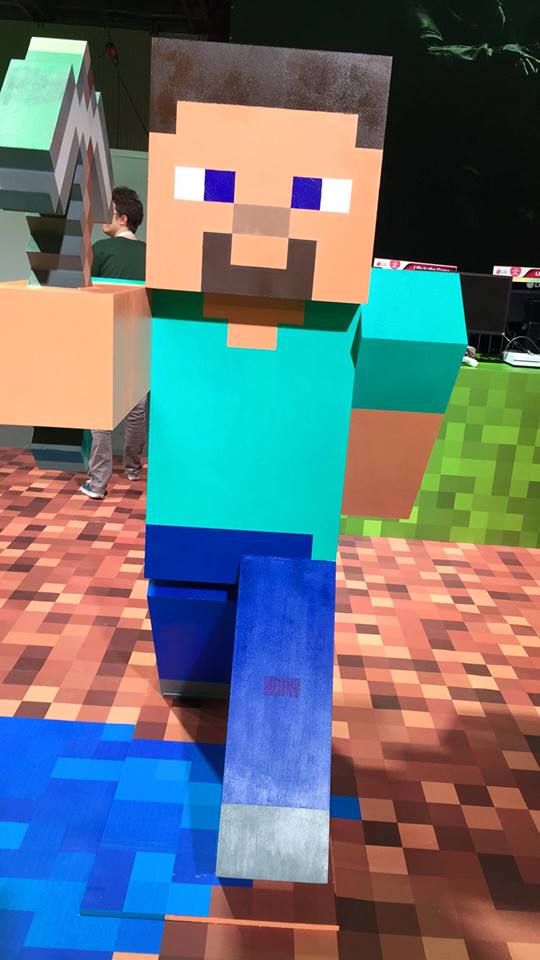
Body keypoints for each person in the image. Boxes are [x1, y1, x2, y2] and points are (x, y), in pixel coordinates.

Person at [79, 186, 148, 500]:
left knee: (101, 411)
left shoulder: (101, 250)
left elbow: (86, 295)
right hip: (139, 339)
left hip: (104, 338)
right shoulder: (149, 254)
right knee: (136, 408)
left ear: (122, 219)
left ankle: (98, 483)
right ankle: (133, 467)